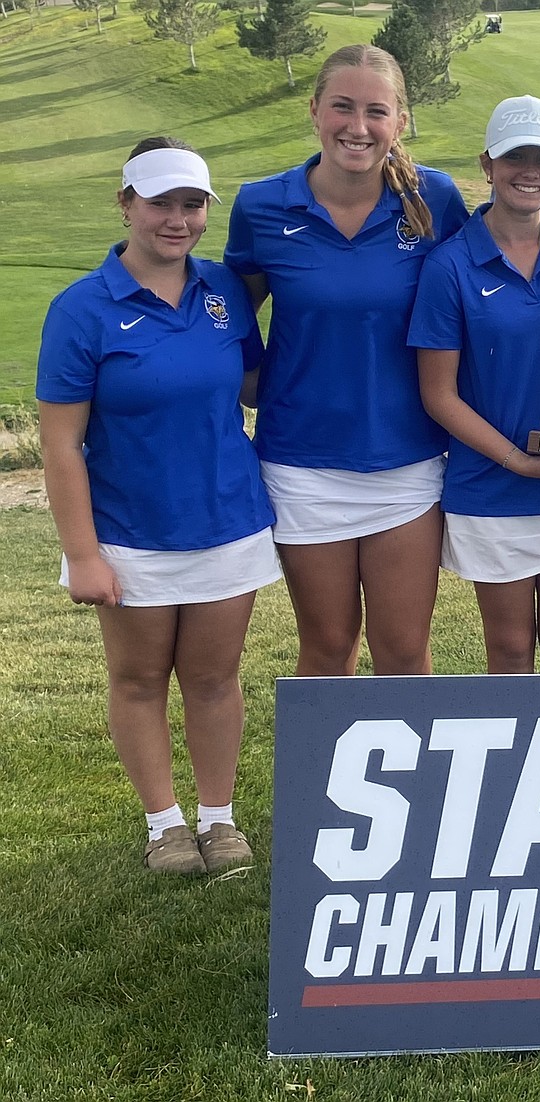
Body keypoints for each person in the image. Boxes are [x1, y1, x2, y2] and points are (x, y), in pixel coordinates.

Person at [37, 138, 281, 875]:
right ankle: (165, 827)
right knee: (140, 679)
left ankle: (219, 819)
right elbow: (60, 445)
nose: (178, 220)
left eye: (192, 205)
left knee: (214, 677)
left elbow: (255, 386)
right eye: (161, 204)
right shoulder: (82, 309)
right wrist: (82, 554)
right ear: (126, 205)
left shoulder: (224, 291)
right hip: (129, 532)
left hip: (227, 519)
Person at [224, 45, 468, 676]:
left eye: (376, 112)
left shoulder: (436, 199)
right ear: (314, 111)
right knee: (328, 649)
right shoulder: (261, 206)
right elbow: (228, 318)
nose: (357, 127)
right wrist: (257, 385)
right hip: (301, 462)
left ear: (400, 121)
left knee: (403, 651)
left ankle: (407, 753)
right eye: (342, 107)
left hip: (407, 459)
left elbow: (475, 303)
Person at [410, 96, 540, 673]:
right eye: (514, 157)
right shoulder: (449, 265)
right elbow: (438, 394)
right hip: (491, 488)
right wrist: (517, 461)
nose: (530, 171)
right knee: (508, 650)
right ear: (487, 164)